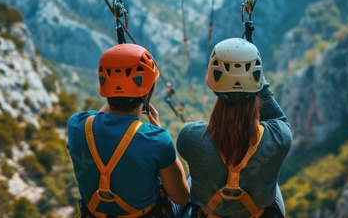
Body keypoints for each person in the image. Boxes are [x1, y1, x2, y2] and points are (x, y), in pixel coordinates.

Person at [67, 44, 190, 218]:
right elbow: (181, 197)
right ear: (148, 93)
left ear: (104, 87)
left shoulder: (77, 125)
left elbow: (99, 116)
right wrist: (159, 131)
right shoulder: (157, 139)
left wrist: (117, 88)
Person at [176, 38, 293, 218]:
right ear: (258, 82)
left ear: (212, 82)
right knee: (273, 183)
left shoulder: (190, 138)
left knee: (190, 180)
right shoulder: (279, 138)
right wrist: (257, 81)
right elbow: (279, 118)